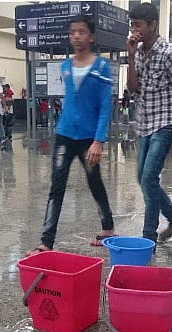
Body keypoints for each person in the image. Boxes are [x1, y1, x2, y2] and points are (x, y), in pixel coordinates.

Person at [26, 15, 117, 255]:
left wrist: (98, 140)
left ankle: (108, 227)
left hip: (89, 139)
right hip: (65, 135)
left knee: (94, 182)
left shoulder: (101, 67)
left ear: (91, 36)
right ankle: (46, 241)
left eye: (81, 31)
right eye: (72, 32)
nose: (76, 36)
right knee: (57, 186)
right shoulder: (65, 66)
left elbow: (104, 106)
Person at [127, 2, 172, 247]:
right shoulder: (139, 52)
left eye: (138, 25)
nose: (135, 30)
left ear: (153, 25)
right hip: (144, 124)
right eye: (132, 25)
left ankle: (148, 238)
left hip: (165, 123)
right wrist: (131, 56)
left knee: (148, 178)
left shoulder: (168, 54)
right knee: (144, 180)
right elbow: (134, 89)